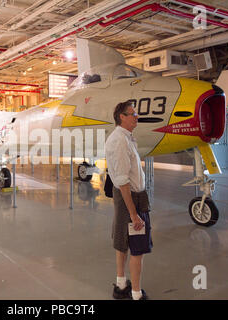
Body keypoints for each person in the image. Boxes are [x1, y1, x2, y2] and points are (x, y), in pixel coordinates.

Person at [105, 101, 151, 300]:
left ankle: (122, 283)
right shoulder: (120, 141)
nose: (136, 117)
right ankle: (135, 294)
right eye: (132, 114)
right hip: (131, 199)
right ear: (121, 117)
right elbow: (123, 182)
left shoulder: (125, 138)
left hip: (131, 197)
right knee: (137, 247)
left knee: (122, 241)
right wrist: (134, 214)